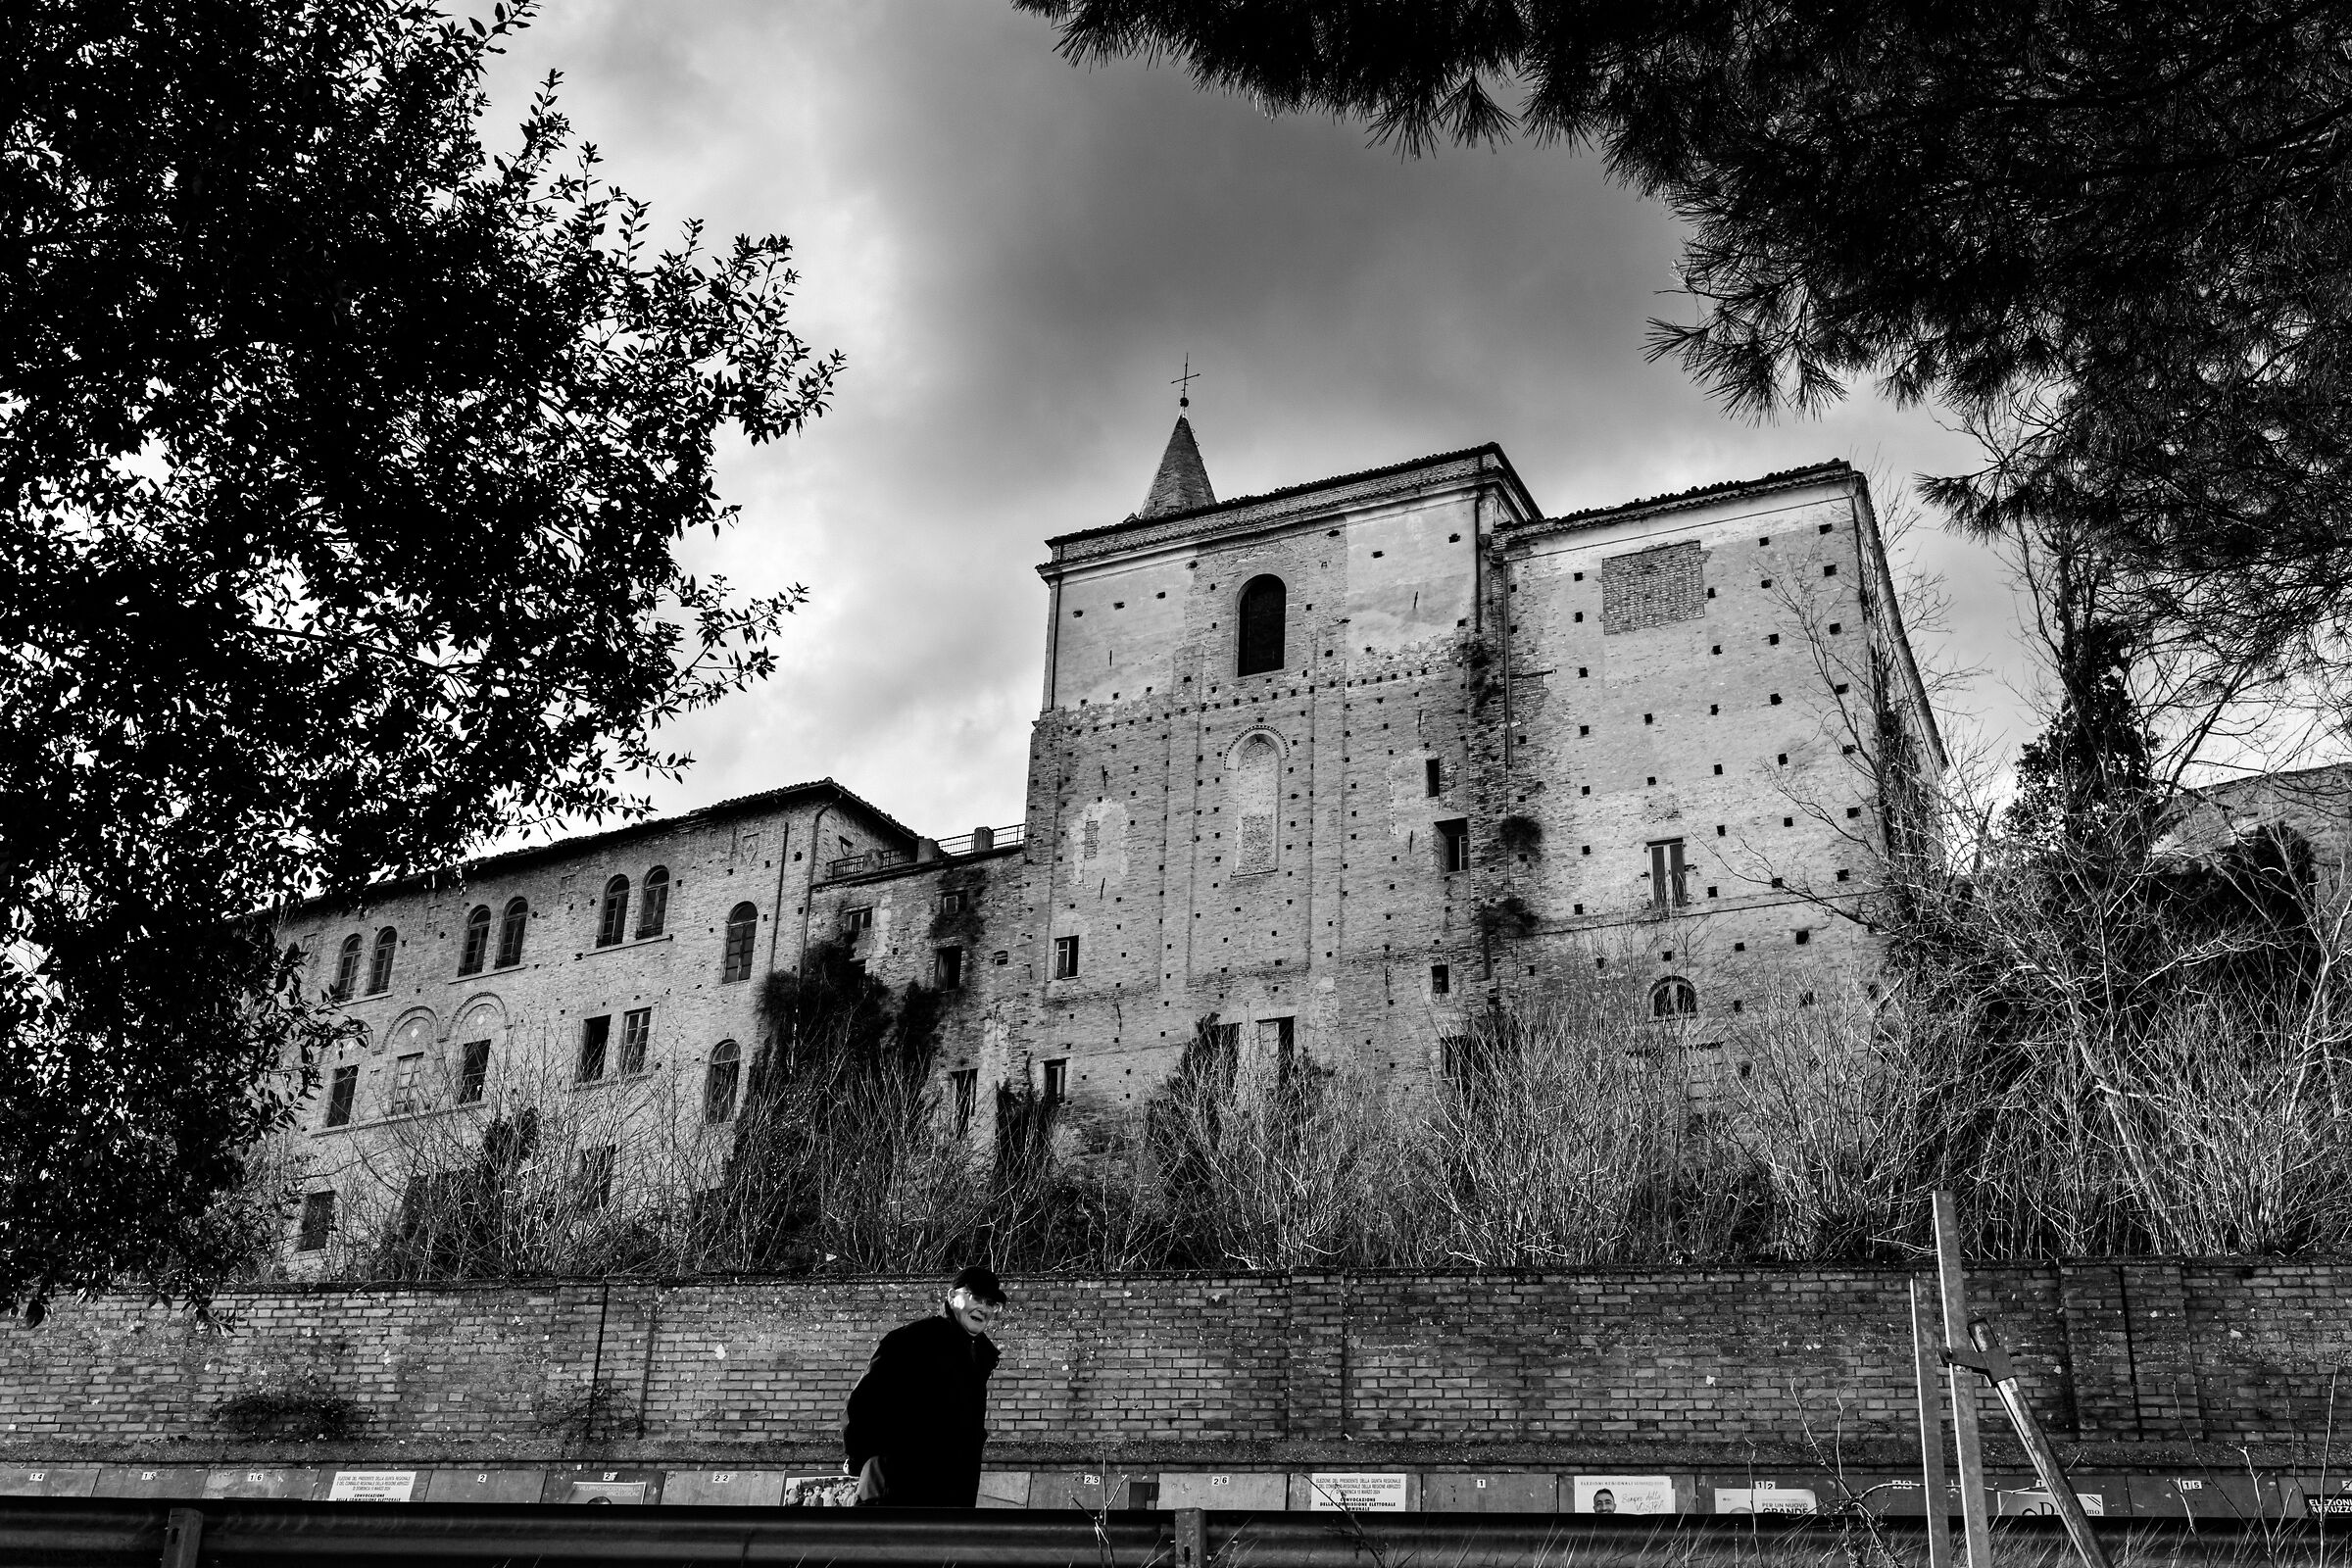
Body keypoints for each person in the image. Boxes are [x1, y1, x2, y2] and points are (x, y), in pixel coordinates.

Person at [844, 1265, 1006, 1507]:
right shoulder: (914, 1340)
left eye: (991, 1303)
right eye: (976, 1297)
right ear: (952, 1297)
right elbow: (864, 1402)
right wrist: (861, 1458)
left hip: (949, 1500)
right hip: (897, 1495)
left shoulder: (979, 1357)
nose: (984, 1308)